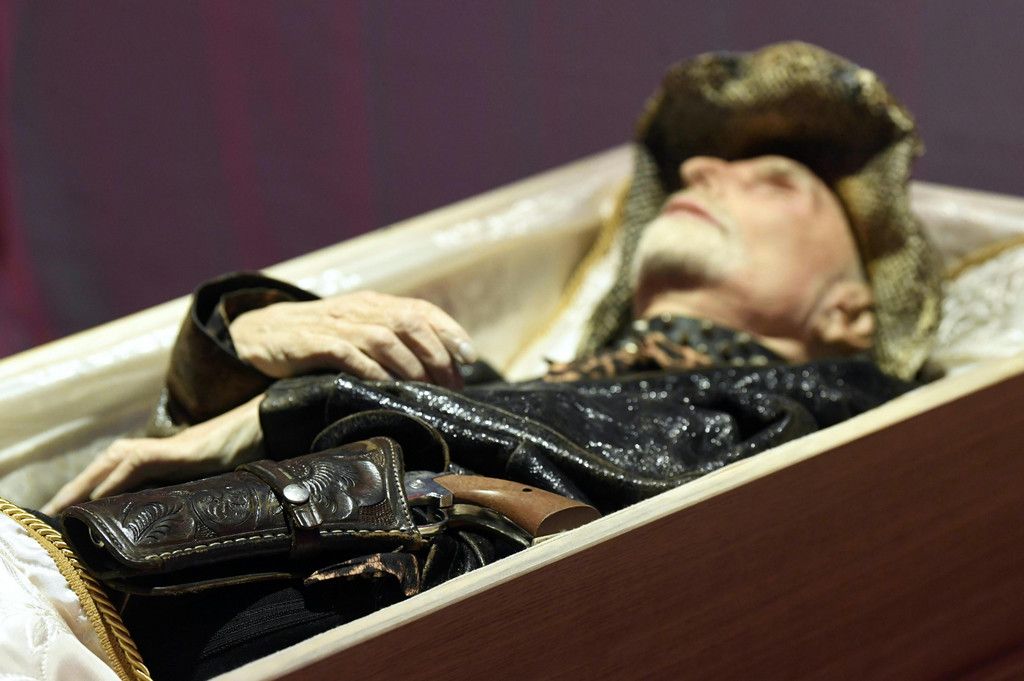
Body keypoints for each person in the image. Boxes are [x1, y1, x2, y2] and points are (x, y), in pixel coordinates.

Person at [16, 42, 944, 680]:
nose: (704, 172)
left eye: (775, 181)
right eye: (699, 167)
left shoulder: (833, 412)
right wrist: (246, 338)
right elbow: (157, 464)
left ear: (850, 307)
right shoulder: (504, 395)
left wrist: (285, 404)